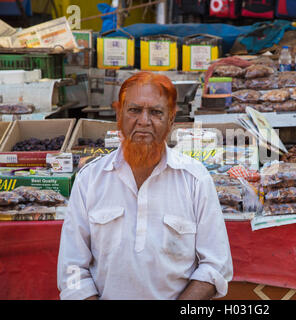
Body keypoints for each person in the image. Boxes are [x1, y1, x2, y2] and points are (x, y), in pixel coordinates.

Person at [57, 71, 233, 300]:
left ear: (171, 119)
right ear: (119, 115)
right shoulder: (90, 180)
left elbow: (215, 266)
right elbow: (72, 270)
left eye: (156, 112)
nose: (144, 121)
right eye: (134, 110)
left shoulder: (195, 179)